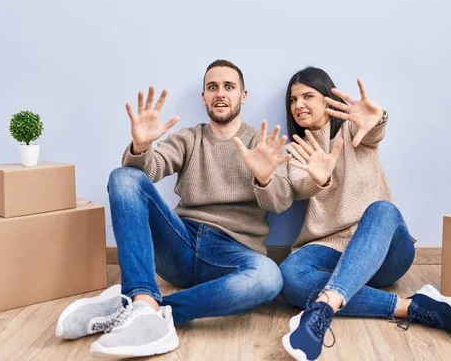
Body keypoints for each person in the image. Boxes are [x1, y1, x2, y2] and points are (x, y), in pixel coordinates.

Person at [55, 60, 294, 358]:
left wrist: (264, 176)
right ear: (204, 97)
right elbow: (147, 172)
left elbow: (281, 202)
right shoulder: (189, 138)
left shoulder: (264, 144)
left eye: (229, 87)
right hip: (180, 243)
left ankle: (143, 308)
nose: (220, 93)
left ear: (243, 95)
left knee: (269, 278)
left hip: (232, 253)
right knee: (124, 176)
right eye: (212, 87)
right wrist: (141, 147)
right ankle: (142, 298)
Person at [279, 67, 451, 361]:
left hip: (385, 251)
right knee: (289, 276)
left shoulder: (353, 129)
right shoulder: (298, 150)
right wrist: (320, 178)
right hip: (330, 250)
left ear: (328, 99)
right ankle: (411, 306)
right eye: (293, 100)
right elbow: (301, 185)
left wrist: (378, 118)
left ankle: (323, 307)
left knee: (383, 210)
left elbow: (374, 130)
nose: (298, 105)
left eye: (308, 96)